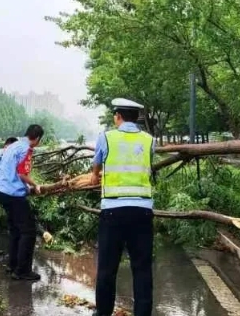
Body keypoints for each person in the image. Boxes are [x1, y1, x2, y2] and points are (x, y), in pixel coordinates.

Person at [91, 98, 155, 316]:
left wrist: (94, 176)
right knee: (142, 268)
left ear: (117, 116)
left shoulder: (106, 137)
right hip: (142, 211)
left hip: (113, 211)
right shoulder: (149, 140)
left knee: (107, 268)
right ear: (137, 118)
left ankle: (103, 313)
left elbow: (96, 166)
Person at [0, 124, 44, 281]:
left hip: (2, 191)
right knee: (28, 232)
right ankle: (22, 271)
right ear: (36, 138)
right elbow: (22, 173)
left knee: (16, 230)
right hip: (13, 194)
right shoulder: (27, 149)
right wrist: (35, 185)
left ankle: (12, 265)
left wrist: (25, 187)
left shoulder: (14, 145)